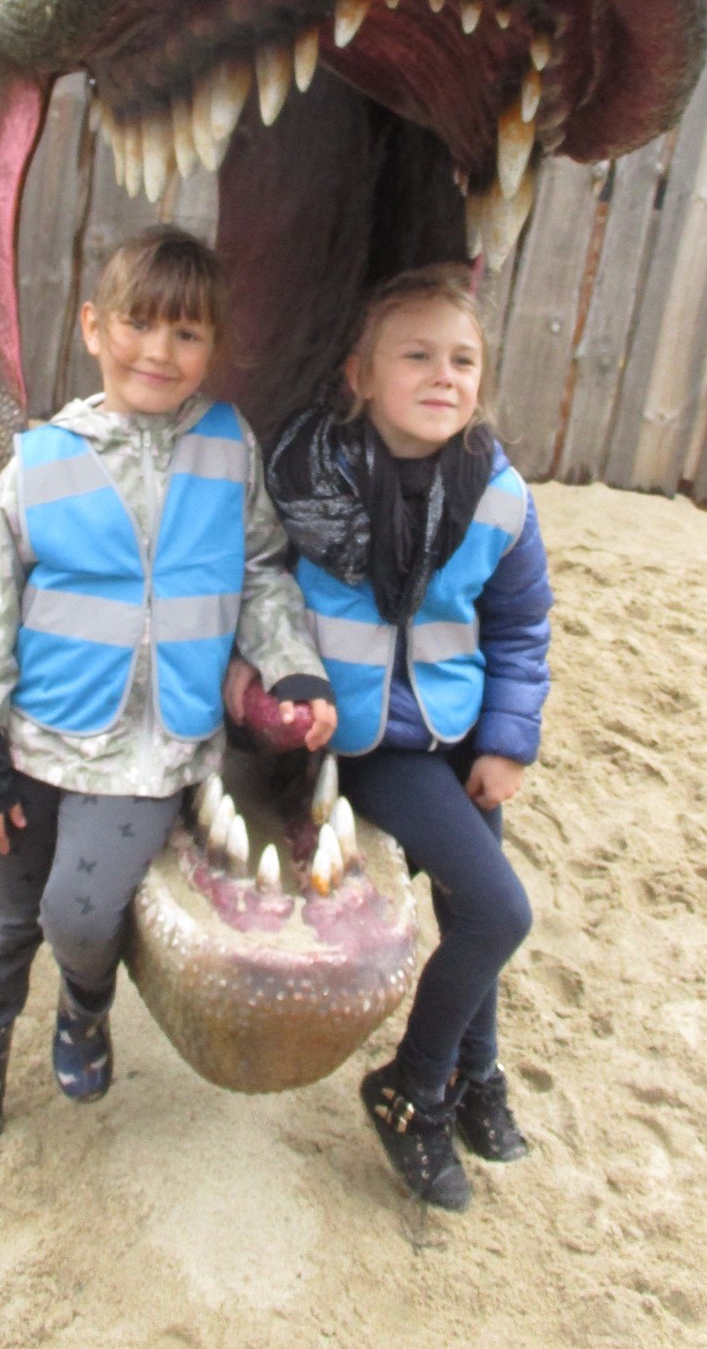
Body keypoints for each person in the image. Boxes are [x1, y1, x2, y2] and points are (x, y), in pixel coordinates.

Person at [0, 225, 335, 1200]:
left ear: (213, 346)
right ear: (93, 327)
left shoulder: (227, 449)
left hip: (151, 753)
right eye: (139, 325)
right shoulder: (41, 463)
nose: (159, 351)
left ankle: (84, 1003)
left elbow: (262, 571)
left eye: (186, 333)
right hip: (36, 741)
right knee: (3, 926)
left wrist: (292, 667)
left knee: (79, 913)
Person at [229, 264, 552, 1212]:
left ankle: (472, 1071)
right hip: (372, 742)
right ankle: (410, 1090)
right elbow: (260, 587)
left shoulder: (497, 495)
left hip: (458, 730)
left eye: (463, 360)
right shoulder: (306, 481)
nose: (443, 375)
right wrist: (274, 687)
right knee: (499, 913)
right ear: (361, 376)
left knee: (470, 908)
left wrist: (507, 740)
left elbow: (520, 625)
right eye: (416, 356)